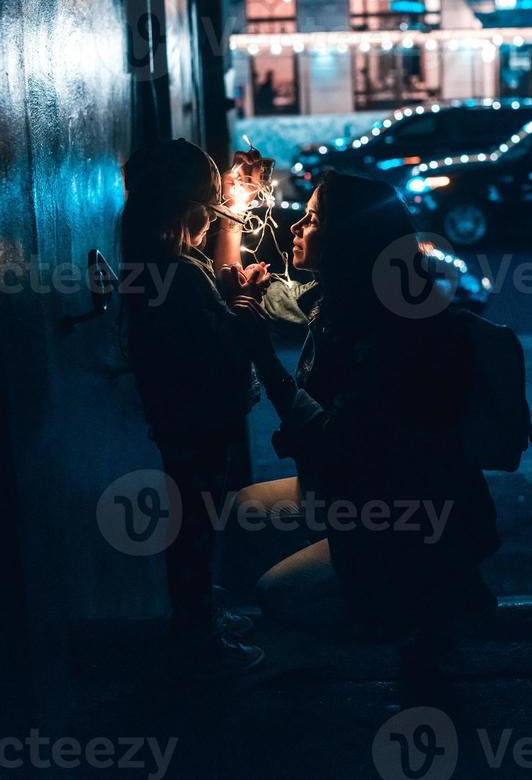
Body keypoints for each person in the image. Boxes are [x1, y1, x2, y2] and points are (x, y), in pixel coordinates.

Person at [225, 171, 501, 642]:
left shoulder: (395, 331)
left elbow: (335, 443)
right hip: (361, 491)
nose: (294, 227)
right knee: (243, 510)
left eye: (311, 220)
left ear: (348, 240)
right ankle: (385, 587)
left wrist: (265, 359)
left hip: (412, 515)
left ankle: (415, 605)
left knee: (278, 595)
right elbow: (280, 300)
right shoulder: (339, 300)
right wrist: (233, 234)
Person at [120, 138, 270, 675]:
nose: (215, 221)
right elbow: (219, 351)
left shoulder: (166, 263)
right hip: (198, 425)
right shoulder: (179, 275)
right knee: (195, 530)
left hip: (185, 425)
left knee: (195, 525)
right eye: (210, 209)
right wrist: (246, 304)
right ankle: (197, 641)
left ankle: (201, 615)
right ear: (185, 209)